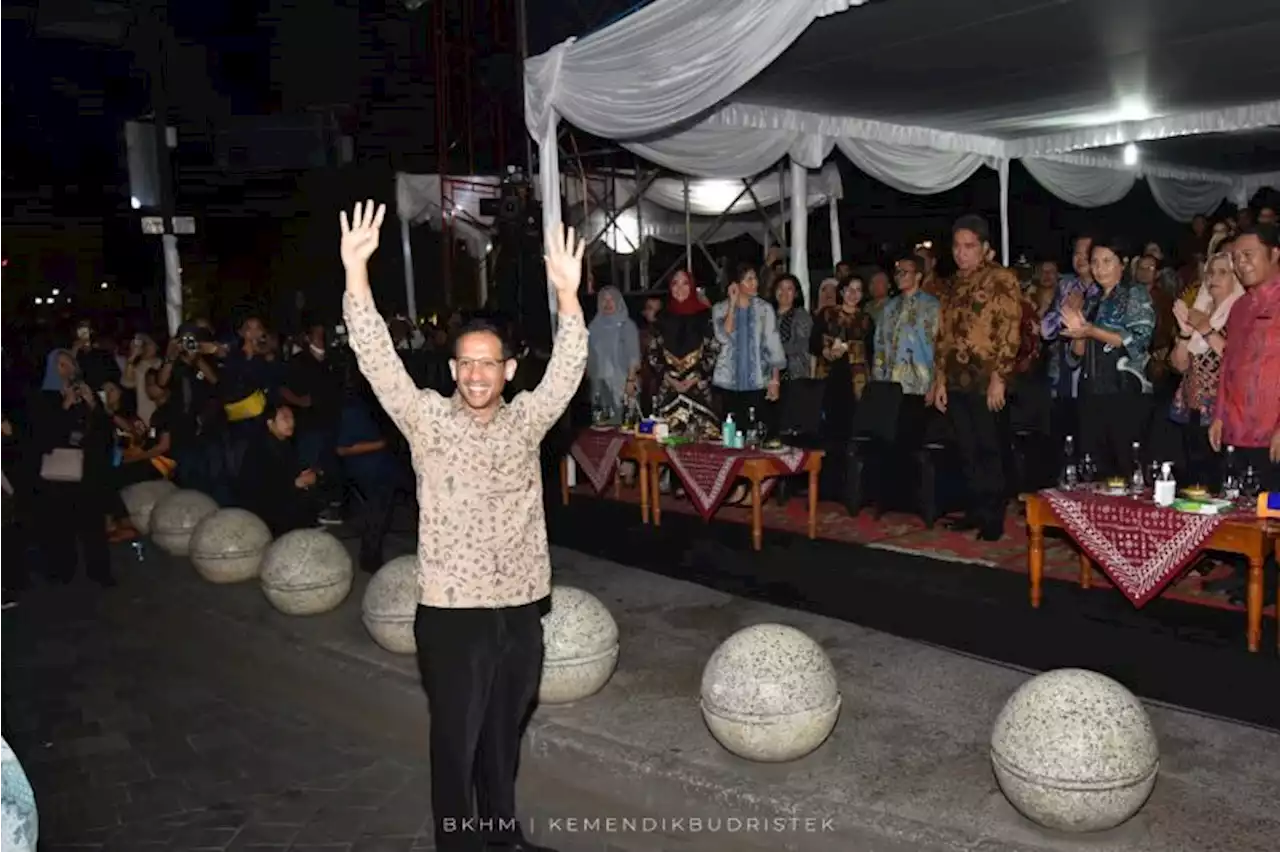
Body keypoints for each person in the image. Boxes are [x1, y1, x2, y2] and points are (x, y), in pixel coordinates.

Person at [341, 200, 586, 852]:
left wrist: (567, 296)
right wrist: (356, 275)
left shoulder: (528, 420)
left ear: (509, 369)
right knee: (456, 744)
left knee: (504, 735)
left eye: (491, 363)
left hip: (520, 608)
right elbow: (376, 360)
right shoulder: (427, 419)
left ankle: (503, 836)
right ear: (453, 371)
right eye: (466, 364)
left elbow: (568, 369)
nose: (478, 374)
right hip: (453, 612)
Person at [930, 215, 1022, 542]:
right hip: (956, 379)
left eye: (969, 246)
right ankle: (975, 510)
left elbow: (1011, 330)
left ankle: (994, 516)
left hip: (986, 379)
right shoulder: (952, 284)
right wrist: (939, 379)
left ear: (985, 248)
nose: (961, 253)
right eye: (956, 246)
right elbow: (943, 335)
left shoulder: (1002, 279)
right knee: (966, 449)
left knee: (989, 448)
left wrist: (1000, 376)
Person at [1059, 237, 1156, 479]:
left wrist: (1091, 330)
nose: (1099, 268)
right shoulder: (1091, 300)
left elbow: (1138, 339)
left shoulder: (1135, 293)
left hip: (1124, 392)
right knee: (1094, 465)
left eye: (1106, 261)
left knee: (1127, 463)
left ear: (1122, 264)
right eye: (1095, 262)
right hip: (1091, 391)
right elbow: (1076, 356)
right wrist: (1077, 330)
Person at [27, 349, 114, 586]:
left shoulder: (87, 393)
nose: (68, 369)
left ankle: (100, 572)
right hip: (60, 474)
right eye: (61, 365)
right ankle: (62, 571)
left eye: (70, 364)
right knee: (61, 525)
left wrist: (94, 405)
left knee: (93, 524)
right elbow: (42, 439)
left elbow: (105, 433)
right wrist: (64, 407)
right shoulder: (43, 399)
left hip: (89, 469)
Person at [1170, 252, 1243, 489]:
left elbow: (1236, 359)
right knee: (1192, 484)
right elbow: (1179, 365)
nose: (1214, 277)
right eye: (1211, 272)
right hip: (1192, 410)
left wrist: (1205, 329)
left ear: (1237, 277)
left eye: (1223, 272)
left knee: (1219, 483)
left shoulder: (1242, 313)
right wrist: (1184, 333)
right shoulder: (1200, 310)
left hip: (1224, 413)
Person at [645, 270, 719, 437]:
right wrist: (670, 378)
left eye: (685, 283)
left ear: (692, 286)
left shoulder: (705, 317)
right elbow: (653, 352)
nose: (680, 288)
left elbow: (713, 349)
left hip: (698, 389)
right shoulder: (661, 318)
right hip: (668, 389)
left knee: (701, 442)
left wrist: (694, 377)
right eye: (675, 283)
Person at [236, 402, 319, 536]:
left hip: (277, 501)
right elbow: (262, 489)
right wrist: (297, 483)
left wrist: (302, 476)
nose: (290, 422)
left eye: (291, 418)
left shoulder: (284, 443)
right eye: (284, 418)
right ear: (270, 423)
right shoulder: (261, 448)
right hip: (261, 512)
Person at [586, 286, 640, 418]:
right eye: (604, 300)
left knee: (626, 425)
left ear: (618, 302)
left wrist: (631, 381)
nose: (607, 303)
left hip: (623, 382)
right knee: (601, 426)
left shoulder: (627, 325)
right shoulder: (593, 327)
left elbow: (634, 356)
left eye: (612, 299)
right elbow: (588, 355)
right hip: (599, 384)